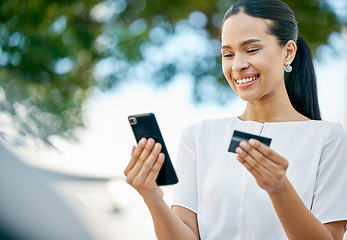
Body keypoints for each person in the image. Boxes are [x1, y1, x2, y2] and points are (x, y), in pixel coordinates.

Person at [124, 0, 347, 239]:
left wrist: (279, 187)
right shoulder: (200, 136)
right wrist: (152, 198)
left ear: (288, 52)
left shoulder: (328, 138)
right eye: (228, 54)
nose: (238, 65)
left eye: (251, 50)